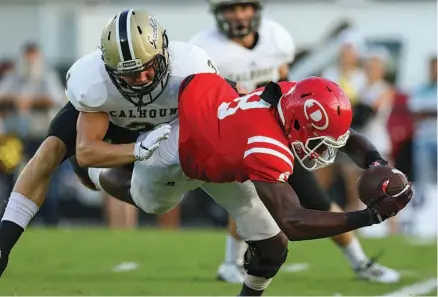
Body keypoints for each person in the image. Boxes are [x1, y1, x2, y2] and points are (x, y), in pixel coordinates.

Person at [86, 73, 412, 296]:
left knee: (272, 244)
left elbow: (346, 136)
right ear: (296, 123)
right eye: (319, 141)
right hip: (180, 153)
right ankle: (92, 172)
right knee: (151, 202)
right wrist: (369, 217)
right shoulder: (266, 146)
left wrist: (377, 163)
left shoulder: (293, 97)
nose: (325, 149)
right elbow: (295, 221)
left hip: (225, 150)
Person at [190, 0, 400, 284]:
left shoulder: (275, 38)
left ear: (255, 10)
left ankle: (359, 262)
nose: (238, 15)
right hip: (233, 135)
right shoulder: (203, 47)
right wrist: (370, 215)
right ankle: (232, 263)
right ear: (218, 13)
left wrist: (377, 163)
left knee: (318, 201)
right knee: (245, 199)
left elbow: (286, 83)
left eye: (244, 7)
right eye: (231, 8)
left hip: (278, 131)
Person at [0, 8, 221, 277]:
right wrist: (136, 149)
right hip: (114, 127)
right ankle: (3, 242)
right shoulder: (93, 81)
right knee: (49, 151)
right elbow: (85, 151)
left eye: (147, 67)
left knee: (161, 197)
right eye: (129, 73)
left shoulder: (190, 67)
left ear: (162, 52)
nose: (140, 79)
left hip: (170, 137)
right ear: (109, 67)